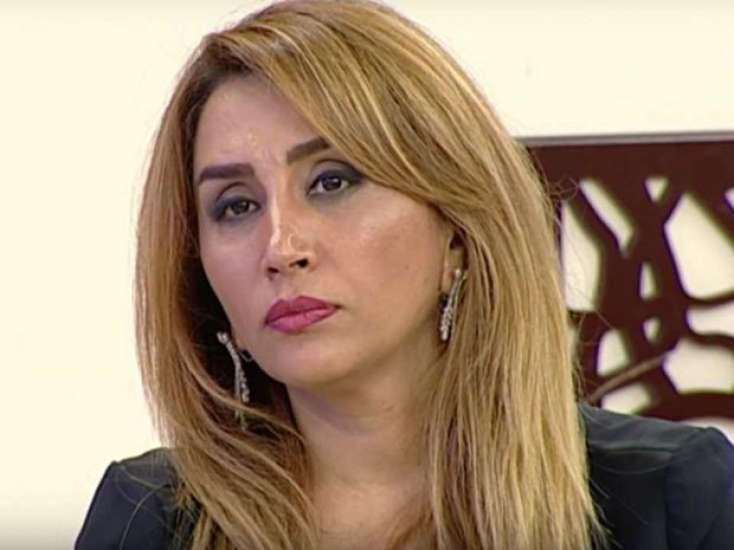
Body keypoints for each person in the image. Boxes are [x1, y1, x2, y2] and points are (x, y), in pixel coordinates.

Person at [75, 1, 734, 549]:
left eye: (332, 181)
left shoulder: (672, 498)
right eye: (236, 205)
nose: (280, 247)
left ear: (456, 232)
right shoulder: (148, 519)